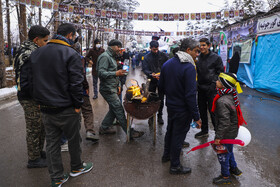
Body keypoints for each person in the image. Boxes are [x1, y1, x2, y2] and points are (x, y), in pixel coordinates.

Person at [30, 23, 93, 186]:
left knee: (51, 143)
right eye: (74, 36)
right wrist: (78, 104)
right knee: (73, 139)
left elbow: (32, 81)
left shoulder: (37, 52)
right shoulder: (71, 53)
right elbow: (76, 82)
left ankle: (56, 177)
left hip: (45, 108)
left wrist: (38, 102)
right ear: (70, 35)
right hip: (67, 108)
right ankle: (76, 167)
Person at [159, 38, 202, 174]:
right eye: (196, 51)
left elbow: (161, 87)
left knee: (170, 131)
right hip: (182, 109)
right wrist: (196, 116)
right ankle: (175, 166)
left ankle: (166, 156)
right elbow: (190, 95)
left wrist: (171, 96)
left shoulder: (167, 64)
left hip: (171, 106)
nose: (197, 54)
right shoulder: (189, 67)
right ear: (188, 50)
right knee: (178, 137)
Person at [13, 25, 50, 168]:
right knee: (34, 127)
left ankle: (38, 152)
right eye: (45, 41)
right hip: (30, 97)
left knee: (40, 126)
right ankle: (33, 159)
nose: (47, 43)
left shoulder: (30, 50)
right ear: (36, 40)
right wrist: (38, 98)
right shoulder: (30, 55)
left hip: (32, 96)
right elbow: (29, 81)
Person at [96, 39, 144, 139]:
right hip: (107, 89)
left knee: (114, 109)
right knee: (118, 108)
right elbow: (100, 73)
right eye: (118, 47)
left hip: (112, 87)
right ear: (113, 46)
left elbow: (114, 73)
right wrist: (116, 73)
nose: (119, 50)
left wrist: (118, 85)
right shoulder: (105, 57)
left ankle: (104, 128)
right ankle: (130, 132)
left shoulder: (111, 57)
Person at [211, 72, 246, 185]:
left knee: (222, 154)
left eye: (218, 80)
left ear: (223, 85)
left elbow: (224, 122)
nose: (216, 82)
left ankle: (225, 176)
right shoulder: (232, 95)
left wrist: (218, 137)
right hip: (231, 132)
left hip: (225, 134)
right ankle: (234, 168)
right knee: (229, 151)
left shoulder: (222, 101)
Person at [195, 38, 224, 138]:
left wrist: (213, 84)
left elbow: (220, 72)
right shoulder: (198, 58)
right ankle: (204, 130)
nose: (202, 47)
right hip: (200, 88)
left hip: (211, 89)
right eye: (200, 45)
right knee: (202, 110)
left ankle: (218, 134)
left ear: (209, 45)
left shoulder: (216, 58)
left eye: (204, 45)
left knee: (213, 112)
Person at [73, 42, 99, 143]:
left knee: (74, 112)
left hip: (68, 91)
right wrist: (86, 86)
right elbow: (82, 74)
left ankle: (74, 135)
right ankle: (90, 131)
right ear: (79, 50)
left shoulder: (63, 56)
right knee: (87, 110)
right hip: (80, 89)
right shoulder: (80, 58)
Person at [142, 40, 168, 125]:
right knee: (151, 98)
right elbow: (144, 69)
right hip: (152, 80)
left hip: (162, 80)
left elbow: (167, 66)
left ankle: (160, 116)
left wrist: (163, 74)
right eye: (154, 50)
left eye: (157, 49)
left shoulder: (163, 56)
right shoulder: (146, 57)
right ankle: (151, 116)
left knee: (160, 99)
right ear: (150, 48)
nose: (156, 51)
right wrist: (150, 74)